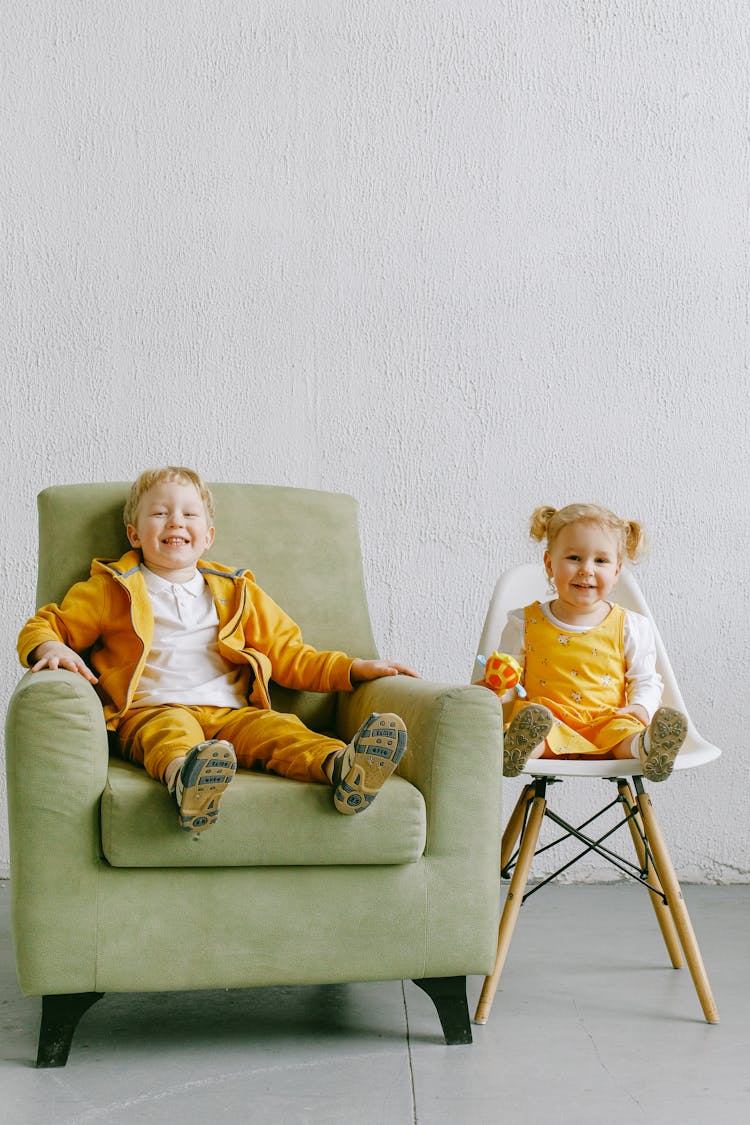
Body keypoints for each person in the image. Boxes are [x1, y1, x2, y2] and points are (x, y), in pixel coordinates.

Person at [17, 467, 419, 834]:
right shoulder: (111, 587)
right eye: (160, 513)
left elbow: (290, 653)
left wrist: (352, 669)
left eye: (189, 515)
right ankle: (188, 781)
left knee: (283, 732)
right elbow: (47, 623)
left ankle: (344, 769)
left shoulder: (237, 591)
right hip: (153, 708)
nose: (176, 521)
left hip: (233, 713)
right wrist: (50, 646)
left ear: (208, 536)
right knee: (169, 737)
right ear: (135, 534)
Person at [477, 503, 687, 782]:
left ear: (616, 571)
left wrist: (640, 708)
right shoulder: (524, 622)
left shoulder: (630, 626)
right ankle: (517, 747)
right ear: (550, 564)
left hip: (607, 720)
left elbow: (646, 679)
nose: (587, 569)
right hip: (547, 720)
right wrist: (496, 690)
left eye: (601, 561)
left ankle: (650, 747)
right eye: (574, 557)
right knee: (531, 723)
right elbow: (510, 677)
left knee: (626, 733)